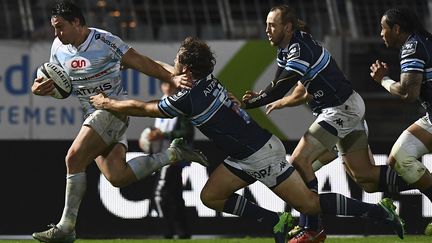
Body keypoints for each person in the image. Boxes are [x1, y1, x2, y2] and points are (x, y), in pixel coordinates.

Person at [90, 36, 405, 243]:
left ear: (185, 67)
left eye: (177, 62)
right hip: (243, 155)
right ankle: (277, 222)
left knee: (309, 203)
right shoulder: (207, 82)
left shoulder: (189, 98)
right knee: (211, 196)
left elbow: (142, 109)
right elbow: (216, 94)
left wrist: (107, 104)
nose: (173, 66)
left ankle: (382, 214)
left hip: (261, 154)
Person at [30, 2, 208, 243]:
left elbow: (144, 63)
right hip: (91, 115)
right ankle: (173, 154)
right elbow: (48, 78)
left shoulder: (105, 42)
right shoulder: (58, 47)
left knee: (73, 158)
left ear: (77, 22)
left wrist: (173, 77)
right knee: (117, 177)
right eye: (54, 28)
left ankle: (66, 227)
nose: (56, 33)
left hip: (111, 110)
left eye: (60, 27)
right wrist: (38, 88)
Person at [237, 5, 404, 242]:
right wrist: (263, 95)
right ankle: (384, 210)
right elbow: (280, 83)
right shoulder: (288, 48)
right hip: (345, 108)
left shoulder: (300, 50)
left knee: (298, 161)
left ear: (287, 27)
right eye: (266, 24)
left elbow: (283, 87)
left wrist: (248, 105)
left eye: (272, 25)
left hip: (340, 110)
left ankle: (312, 228)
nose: (266, 29)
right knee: (366, 176)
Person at [369, 7, 432, 235]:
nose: (381, 34)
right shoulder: (423, 40)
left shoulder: (412, 47)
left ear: (397, 29)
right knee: (400, 158)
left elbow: (408, 94)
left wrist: (383, 80)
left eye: (383, 28)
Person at [142, 81, 194, 239]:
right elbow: (160, 129)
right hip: (163, 155)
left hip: (174, 156)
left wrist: (162, 135)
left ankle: (168, 230)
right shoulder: (162, 103)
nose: (167, 87)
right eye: (165, 84)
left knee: (160, 194)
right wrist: (153, 137)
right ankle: (182, 232)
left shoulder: (181, 105)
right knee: (175, 195)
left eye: (171, 84)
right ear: (161, 86)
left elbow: (186, 132)